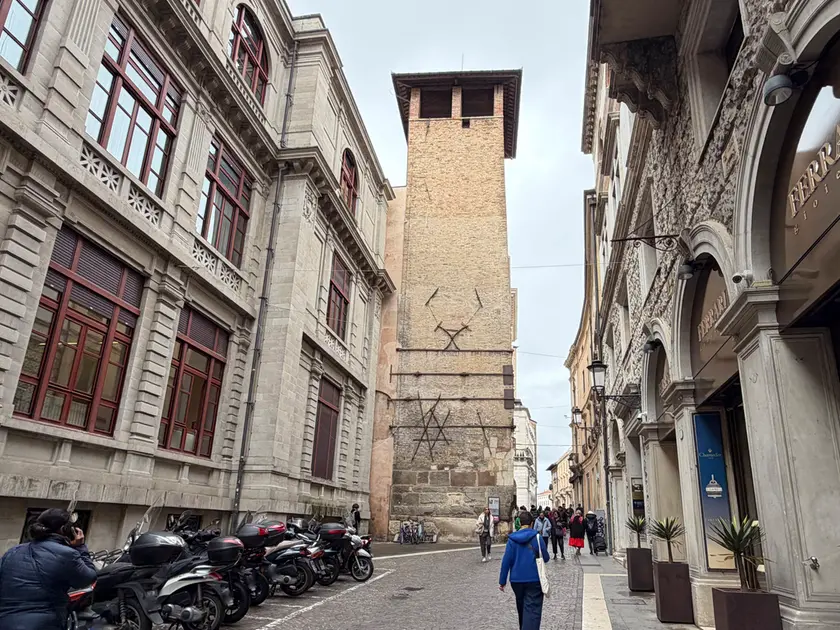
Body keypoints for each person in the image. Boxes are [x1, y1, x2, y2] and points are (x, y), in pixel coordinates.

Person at [0, 509, 97, 630]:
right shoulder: (67, 554)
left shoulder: (13, 551)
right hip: (43, 623)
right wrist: (81, 547)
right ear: (64, 530)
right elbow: (88, 578)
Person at [499, 510, 549, 630]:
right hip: (534, 579)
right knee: (533, 610)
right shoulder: (537, 537)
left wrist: (502, 581)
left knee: (522, 608)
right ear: (532, 523)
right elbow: (546, 558)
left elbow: (506, 561)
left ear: (519, 523)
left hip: (516, 580)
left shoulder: (512, 540)